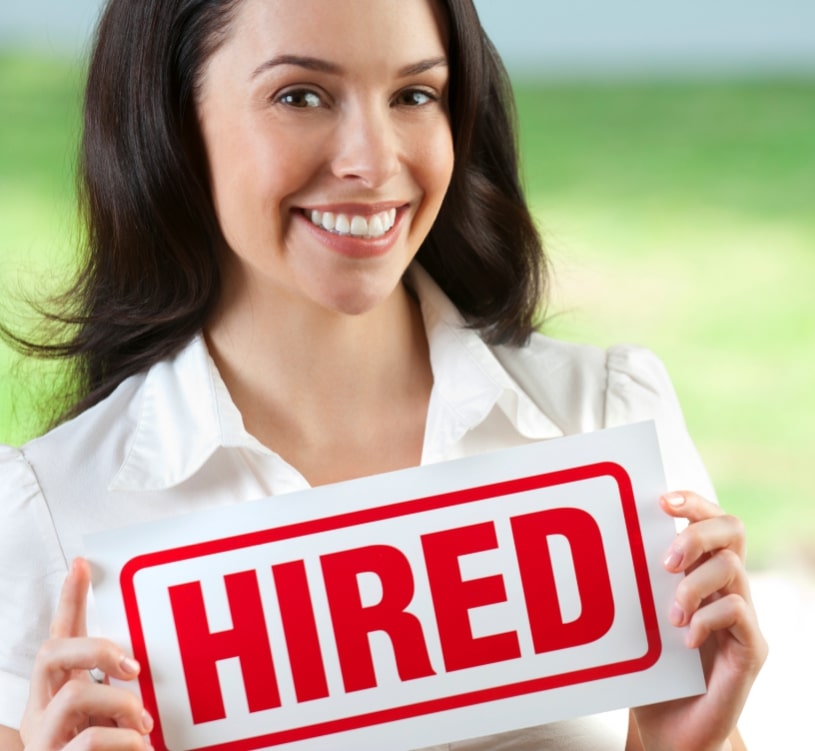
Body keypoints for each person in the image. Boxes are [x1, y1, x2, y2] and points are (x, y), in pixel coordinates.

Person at [0, 0, 767, 749]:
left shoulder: (604, 419)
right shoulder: (46, 522)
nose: (372, 161)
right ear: (171, 120)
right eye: (299, 95)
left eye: (414, 95)